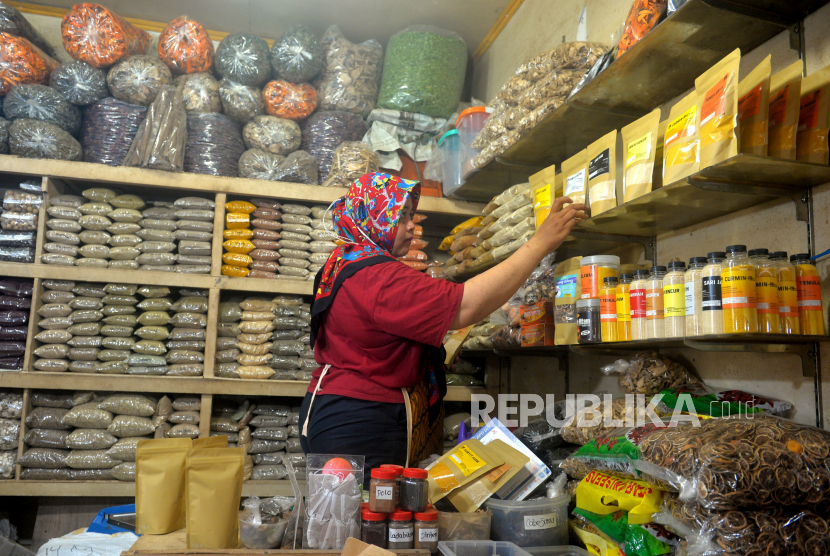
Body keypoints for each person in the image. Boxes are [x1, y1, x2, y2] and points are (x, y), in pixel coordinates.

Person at [299, 172, 587, 476]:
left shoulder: (346, 260)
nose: (410, 225)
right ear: (372, 216)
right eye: (400, 217)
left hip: (341, 411)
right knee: (366, 517)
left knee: (350, 515)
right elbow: (465, 306)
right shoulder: (376, 277)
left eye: (411, 215)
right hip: (359, 422)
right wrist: (541, 243)